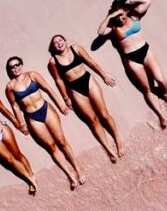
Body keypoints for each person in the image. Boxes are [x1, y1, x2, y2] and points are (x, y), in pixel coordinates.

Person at [4, 56, 86, 190]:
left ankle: (78, 169)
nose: (15, 68)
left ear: (21, 64)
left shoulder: (32, 75)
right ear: (9, 70)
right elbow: (15, 106)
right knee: (51, 147)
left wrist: (60, 104)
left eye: (17, 64)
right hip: (32, 117)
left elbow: (48, 89)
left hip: (46, 110)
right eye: (12, 67)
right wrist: (22, 124)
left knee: (61, 141)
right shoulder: (10, 87)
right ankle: (70, 175)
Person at [97, 0, 167, 129]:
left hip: (146, 52)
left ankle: (166, 95)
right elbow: (100, 32)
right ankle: (161, 115)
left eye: (121, 15)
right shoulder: (113, 28)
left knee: (160, 79)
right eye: (117, 16)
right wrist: (110, 17)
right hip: (131, 59)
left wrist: (128, 0)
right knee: (147, 89)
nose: (120, 18)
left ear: (126, 11)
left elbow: (148, 1)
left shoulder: (135, 17)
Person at [47, 34, 124, 162]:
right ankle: (108, 149)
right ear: (53, 47)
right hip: (74, 89)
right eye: (55, 42)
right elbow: (59, 81)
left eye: (60, 40)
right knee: (92, 120)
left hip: (88, 81)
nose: (59, 43)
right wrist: (66, 98)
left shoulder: (76, 49)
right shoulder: (53, 62)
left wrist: (104, 75)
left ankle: (117, 139)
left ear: (65, 41)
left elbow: (91, 62)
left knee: (104, 115)